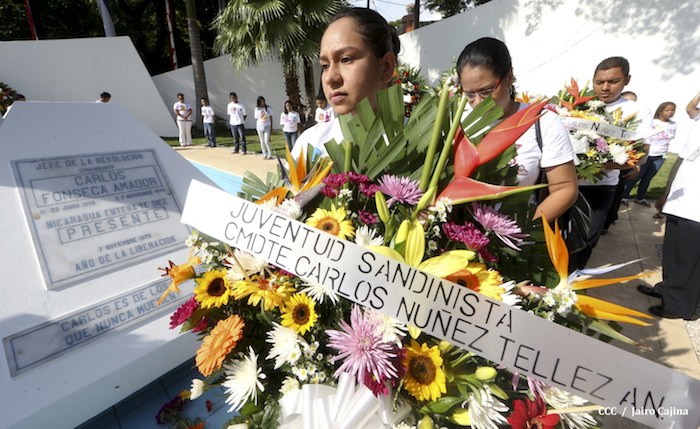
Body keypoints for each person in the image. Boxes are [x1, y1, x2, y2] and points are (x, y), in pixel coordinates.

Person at [456, 37, 577, 221]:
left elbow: (564, 189)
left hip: (519, 230)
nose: (478, 102)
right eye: (470, 94)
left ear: (509, 77)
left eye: (486, 91)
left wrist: (520, 230)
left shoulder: (543, 122)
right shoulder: (458, 121)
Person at [570, 57, 653, 270]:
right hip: (563, 183)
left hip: (599, 187)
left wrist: (590, 167)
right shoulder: (578, 103)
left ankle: (571, 278)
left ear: (627, 80)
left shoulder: (636, 111)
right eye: (599, 82)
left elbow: (640, 154)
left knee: (585, 240)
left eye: (613, 81)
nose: (605, 87)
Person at [290, 7, 399, 159]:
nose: (329, 78)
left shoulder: (424, 146)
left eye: (345, 59)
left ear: (386, 66)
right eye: (325, 66)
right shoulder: (309, 144)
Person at [636, 92, 700, 320]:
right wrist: (668, 193)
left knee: (688, 257)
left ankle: (679, 305)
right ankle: (667, 289)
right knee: (673, 250)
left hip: (696, 207)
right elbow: (691, 108)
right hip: (683, 195)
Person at [623, 102, 676, 208]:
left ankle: (640, 198)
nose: (670, 113)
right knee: (637, 176)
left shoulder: (673, 125)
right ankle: (624, 196)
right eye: (667, 110)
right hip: (648, 154)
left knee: (648, 178)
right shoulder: (652, 122)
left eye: (672, 110)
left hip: (660, 155)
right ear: (660, 111)